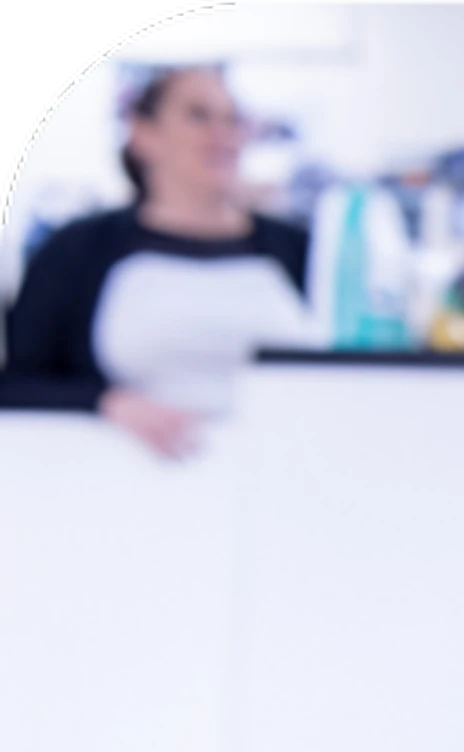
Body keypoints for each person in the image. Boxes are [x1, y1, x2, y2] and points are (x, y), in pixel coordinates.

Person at [0, 66, 314, 458]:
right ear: (143, 135)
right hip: (126, 488)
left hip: (279, 481)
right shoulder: (79, 250)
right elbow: (19, 382)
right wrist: (102, 401)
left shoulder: (299, 249)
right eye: (198, 116)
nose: (224, 135)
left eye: (233, 119)